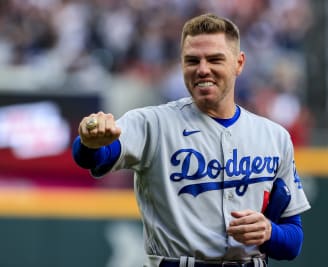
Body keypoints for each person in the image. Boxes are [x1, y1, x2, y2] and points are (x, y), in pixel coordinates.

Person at [72, 13, 311, 267]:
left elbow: (293, 241)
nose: (203, 69)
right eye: (192, 60)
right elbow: (96, 155)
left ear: (239, 63)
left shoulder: (274, 136)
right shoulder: (153, 123)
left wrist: (270, 233)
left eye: (215, 59)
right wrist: (90, 142)